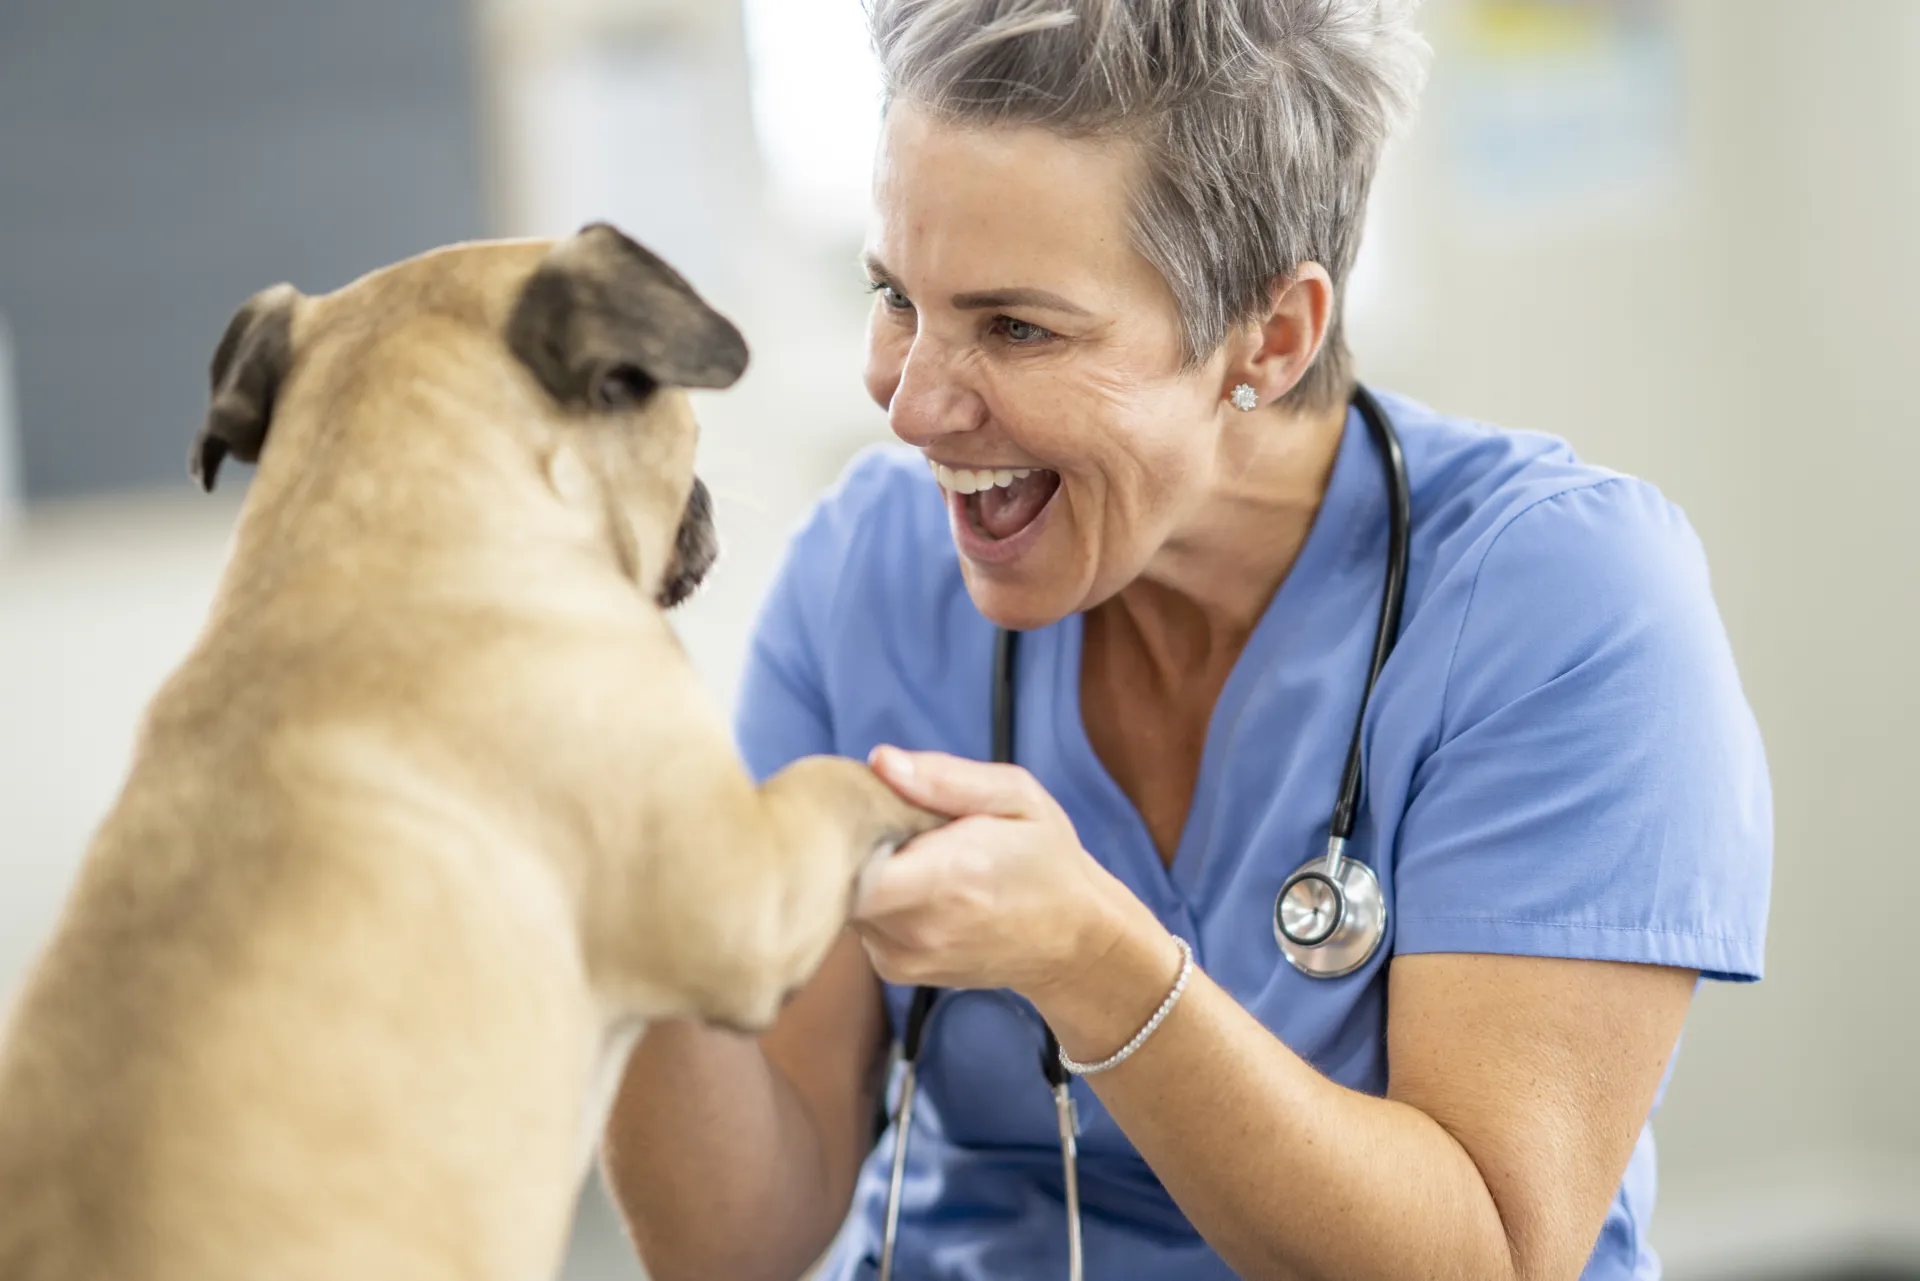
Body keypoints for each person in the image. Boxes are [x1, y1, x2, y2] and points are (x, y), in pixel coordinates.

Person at [600, 1, 1773, 1278]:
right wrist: (636, 879)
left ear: (1269, 337)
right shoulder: (864, 575)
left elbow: (1486, 1258)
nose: (913, 404)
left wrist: (1096, 966)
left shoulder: (1561, 606)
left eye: (1018, 327)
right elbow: (732, 1249)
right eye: (897, 297)